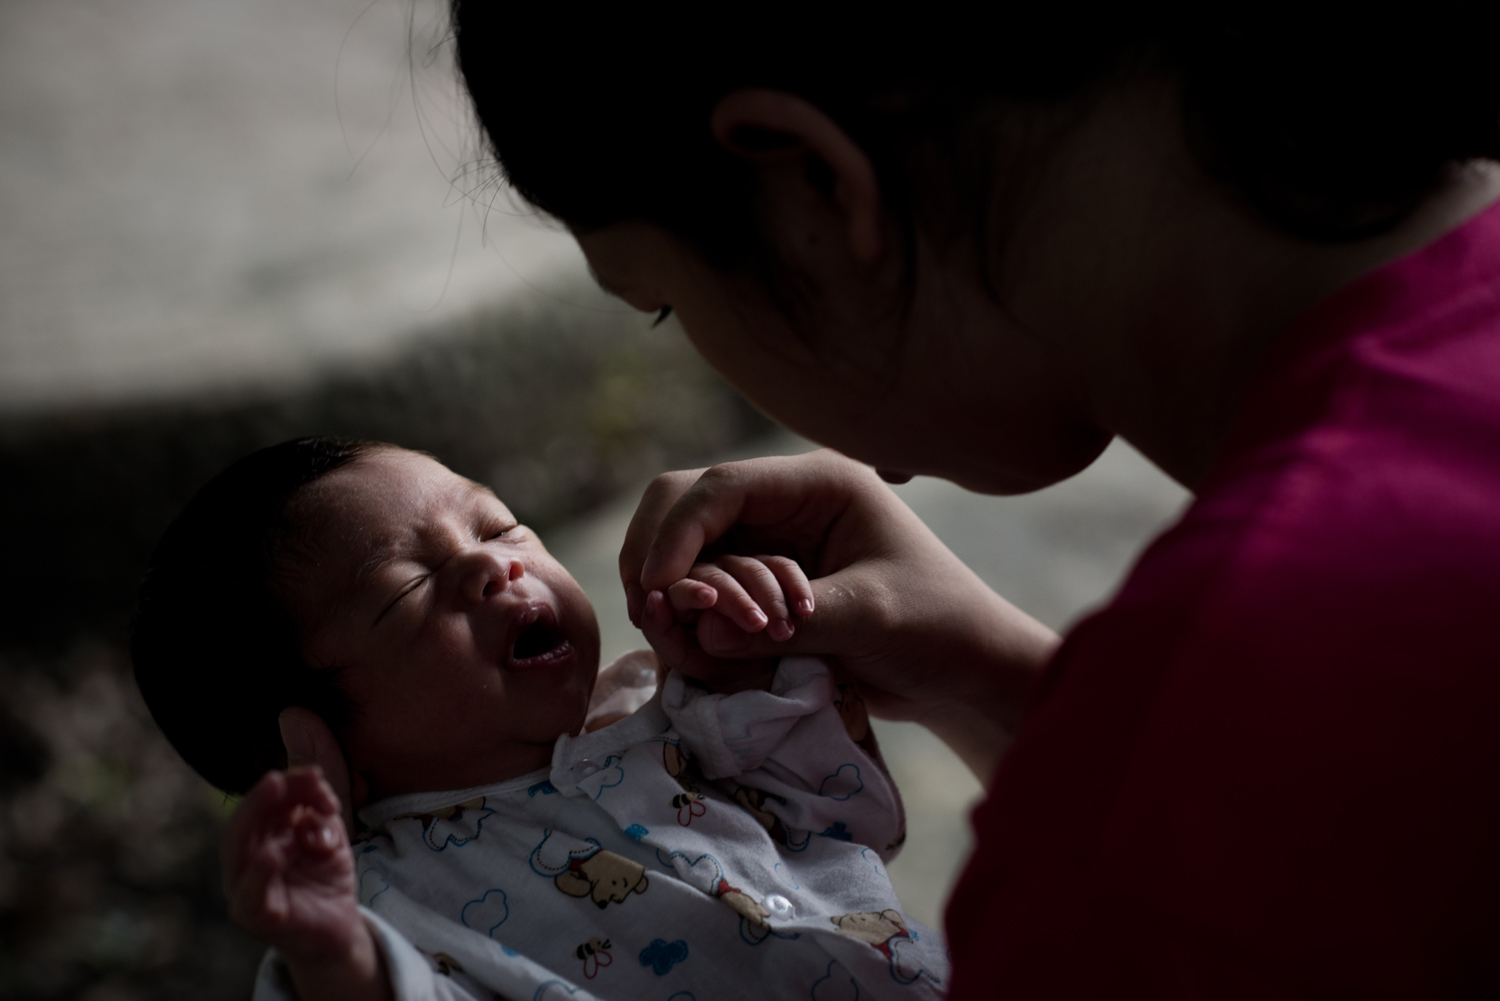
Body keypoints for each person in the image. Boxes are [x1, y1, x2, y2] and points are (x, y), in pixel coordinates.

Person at [450, 4, 1500, 996]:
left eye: (666, 303)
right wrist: (998, 681)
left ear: (814, 184)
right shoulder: (1218, 750)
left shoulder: (1184, 787)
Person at [131, 437, 946, 1001]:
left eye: (496, 524)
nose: (496, 563)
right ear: (311, 748)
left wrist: (753, 666)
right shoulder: (387, 904)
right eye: (408, 590)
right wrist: (333, 954)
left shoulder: (679, 719)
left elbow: (855, 821)